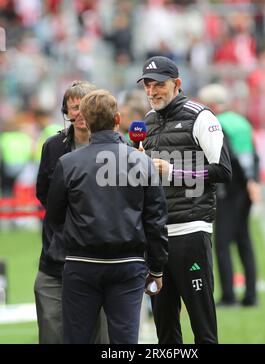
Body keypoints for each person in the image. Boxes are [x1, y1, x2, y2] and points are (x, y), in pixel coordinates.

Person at [46, 89, 169, 344]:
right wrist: (156, 267)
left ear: (86, 122)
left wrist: (74, 239)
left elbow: (54, 216)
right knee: (124, 343)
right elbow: (155, 219)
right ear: (117, 119)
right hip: (128, 263)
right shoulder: (141, 162)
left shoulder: (68, 163)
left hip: (82, 262)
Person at [137, 56, 232, 344]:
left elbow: (223, 171)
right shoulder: (148, 121)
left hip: (191, 233)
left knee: (203, 328)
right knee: (164, 331)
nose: (152, 92)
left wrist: (175, 171)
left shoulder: (201, 116)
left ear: (177, 84)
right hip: (157, 238)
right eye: (148, 85)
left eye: (159, 85)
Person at [34, 80, 109, 344]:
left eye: (85, 107)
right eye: (73, 108)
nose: (79, 114)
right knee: (53, 332)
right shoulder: (53, 147)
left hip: (102, 257)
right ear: (66, 112)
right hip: (58, 256)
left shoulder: (115, 148)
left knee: (101, 338)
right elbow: (43, 193)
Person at [198, 83, 260, 307]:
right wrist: (254, 182)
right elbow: (254, 154)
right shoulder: (242, 122)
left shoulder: (218, 124)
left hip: (230, 190)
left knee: (222, 243)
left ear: (212, 104)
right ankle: (251, 295)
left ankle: (228, 296)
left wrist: (245, 181)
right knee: (244, 241)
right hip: (246, 189)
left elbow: (230, 159)